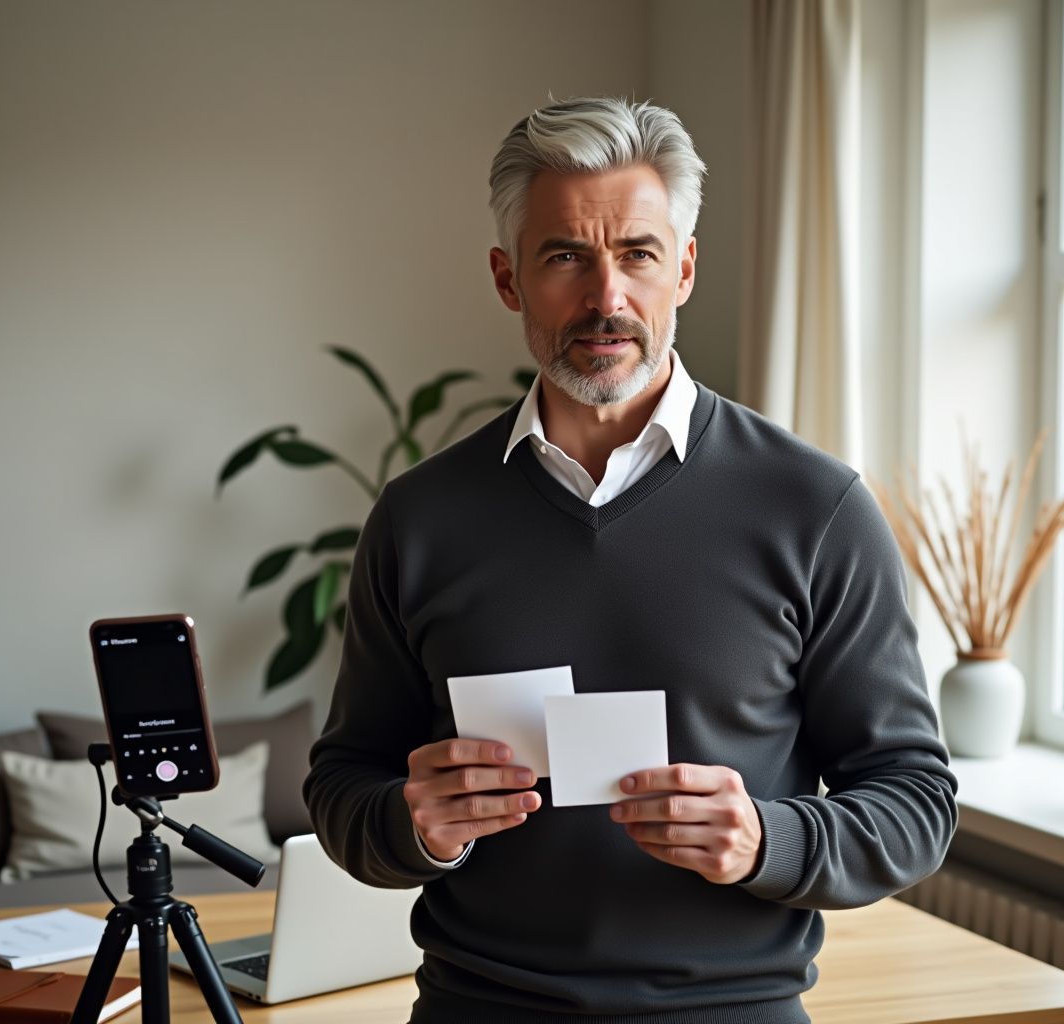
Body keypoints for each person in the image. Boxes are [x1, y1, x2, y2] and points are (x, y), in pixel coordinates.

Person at [303, 96, 957, 1024]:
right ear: (507, 278)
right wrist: (415, 826)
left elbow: (916, 802)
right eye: (565, 256)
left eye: (638, 254)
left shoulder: (817, 508)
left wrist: (767, 839)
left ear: (683, 268)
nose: (606, 297)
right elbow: (341, 784)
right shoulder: (419, 518)